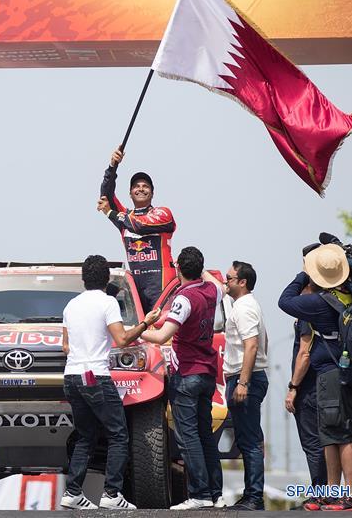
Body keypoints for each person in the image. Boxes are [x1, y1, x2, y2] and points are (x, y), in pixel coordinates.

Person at [59, 255, 157, 510]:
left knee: (85, 436)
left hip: (71, 376)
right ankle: (112, 494)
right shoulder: (108, 302)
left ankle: (72, 492)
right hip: (95, 376)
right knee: (118, 435)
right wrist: (146, 322)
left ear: (83, 279)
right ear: (106, 279)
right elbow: (122, 339)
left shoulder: (71, 305)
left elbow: (65, 346)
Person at [278, 244, 352, 511]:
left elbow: (284, 300)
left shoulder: (317, 303)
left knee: (338, 436)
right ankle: (336, 493)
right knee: (336, 435)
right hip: (351, 374)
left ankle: (346, 493)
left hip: (329, 375)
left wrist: (304, 274)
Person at [141, 246, 224, 510]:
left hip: (187, 373)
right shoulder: (212, 291)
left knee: (188, 438)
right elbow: (218, 282)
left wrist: (139, 329)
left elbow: (162, 336)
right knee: (205, 435)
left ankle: (199, 494)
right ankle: (215, 494)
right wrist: (202, 271)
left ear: (178, 269)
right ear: (200, 268)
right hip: (207, 373)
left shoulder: (183, 298)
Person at [212, 261, 268, 511]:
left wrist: (243, 382)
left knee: (250, 441)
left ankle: (253, 497)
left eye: (229, 278)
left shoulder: (244, 308)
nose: (226, 282)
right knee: (247, 439)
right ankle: (251, 495)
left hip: (247, 378)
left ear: (242, 282)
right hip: (243, 377)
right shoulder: (239, 305)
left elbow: (252, 345)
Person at [98, 148, 176, 313]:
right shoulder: (125, 217)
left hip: (161, 286)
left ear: (152, 193)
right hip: (136, 286)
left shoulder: (163, 214)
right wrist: (113, 166)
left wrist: (111, 213)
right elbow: (106, 196)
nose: (141, 189)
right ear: (130, 193)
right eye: (136, 186)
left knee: (160, 331)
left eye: (145, 186)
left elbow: (138, 226)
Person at [285, 292, 328, 508]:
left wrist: (293, 387)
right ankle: (328, 493)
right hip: (329, 384)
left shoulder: (307, 314)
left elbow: (304, 353)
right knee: (329, 442)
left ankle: (319, 494)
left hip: (309, 388)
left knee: (312, 443)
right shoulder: (332, 307)